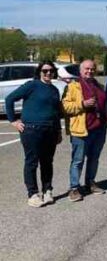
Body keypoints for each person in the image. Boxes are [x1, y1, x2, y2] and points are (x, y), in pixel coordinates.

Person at [6, 61, 63, 208]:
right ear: (39, 72)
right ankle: (32, 194)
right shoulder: (32, 85)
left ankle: (47, 190)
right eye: (45, 71)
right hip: (32, 130)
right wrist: (14, 121)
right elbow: (9, 99)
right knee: (32, 161)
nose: (48, 73)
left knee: (47, 162)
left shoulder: (54, 90)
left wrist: (58, 131)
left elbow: (56, 113)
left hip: (50, 130)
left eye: (51, 71)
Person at [62, 60, 107, 202]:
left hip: (99, 128)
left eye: (92, 69)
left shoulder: (99, 85)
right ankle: (74, 188)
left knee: (94, 158)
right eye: (87, 69)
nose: (90, 71)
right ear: (80, 71)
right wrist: (82, 104)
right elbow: (65, 107)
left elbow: (104, 104)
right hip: (81, 129)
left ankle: (90, 183)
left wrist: (106, 117)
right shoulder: (73, 86)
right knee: (78, 160)